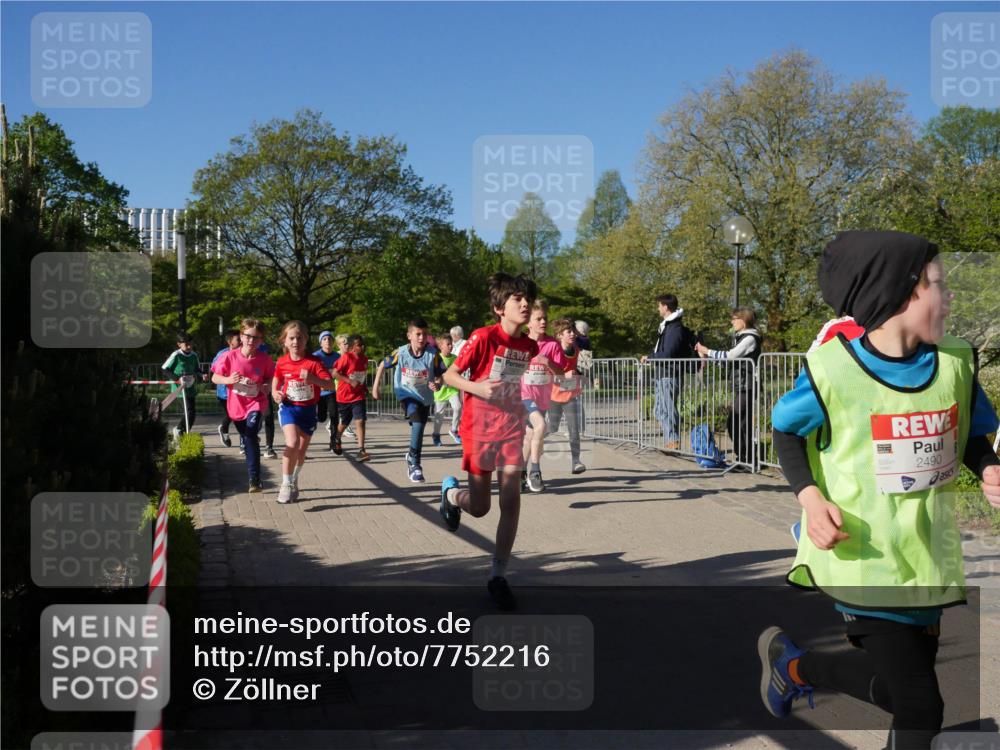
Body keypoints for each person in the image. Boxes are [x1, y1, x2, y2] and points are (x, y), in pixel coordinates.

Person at [761, 231, 1000, 750]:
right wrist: (808, 496)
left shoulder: (956, 361)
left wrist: (987, 466)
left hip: (927, 557)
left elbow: (970, 432)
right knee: (922, 705)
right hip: (862, 557)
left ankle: (795, 667)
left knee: (901, 695)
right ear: (895, 296)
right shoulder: (833, 371)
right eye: (937, 284)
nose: (950, 295)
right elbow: (785, 430)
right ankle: (797, 667)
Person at [439, 273, 542, 611]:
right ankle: (451, 495)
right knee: (481, 507)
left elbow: (519, 380)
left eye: (527, 298)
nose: (524, 303)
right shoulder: (483, 337)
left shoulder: (529, 346)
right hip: (479, 428)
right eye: (517, 299)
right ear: (500, 308)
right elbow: (449, 376)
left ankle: (498, 575)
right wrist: (479, 388)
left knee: (511, 499)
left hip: (511, 427)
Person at [372, 318, 447, 483]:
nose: (422, 338)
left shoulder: (433, 355)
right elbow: (382, 365)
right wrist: (375, 386)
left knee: (418, 427)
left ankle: (410, 455)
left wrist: (437, 384)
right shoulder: (401, 353)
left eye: (425, 334)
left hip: (425, 397)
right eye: (418, 334)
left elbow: (441, 375)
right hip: (405, 393)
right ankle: (415, 464)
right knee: (419, 424)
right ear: (409, 336)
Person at [211, 318, 276, 493]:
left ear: (261, 340)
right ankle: (254, 472)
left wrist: (267, 385)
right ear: (241, 336)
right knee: (249, 438)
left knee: (251, 431)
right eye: (248, 336)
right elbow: (215, 378)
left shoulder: (264, 359)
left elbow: (272, 376)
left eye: (256, 338)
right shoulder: (229, 356)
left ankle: (254, 479)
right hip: (236, 406)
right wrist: (228, 380)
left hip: (256, 402)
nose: (251, 341)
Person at [272, 321, 333, 504]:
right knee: (292, 442)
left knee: (301, 451)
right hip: (289, 407)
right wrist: (275, 393)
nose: (295, 342)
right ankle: (285, 484)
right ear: (284, 341)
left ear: (306, 340)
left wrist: (313, 378)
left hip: (308, 411)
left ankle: (293, 479)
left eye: (299, 338)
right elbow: (277, 378)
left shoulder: (314, 362)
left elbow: (330, 385)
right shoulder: (282, 362)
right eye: (291, 338)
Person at [695, 307, 762, 465]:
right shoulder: (742, 337)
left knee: (737, 422)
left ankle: (748, 459)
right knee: (738, 423)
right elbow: (729, 360)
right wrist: (707, 357)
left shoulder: (750, 338)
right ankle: (745, 458)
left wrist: (707, 351)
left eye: (734, 318)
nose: (732, 321)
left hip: (748, 385)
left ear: (743, 320)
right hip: (743, 385)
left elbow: (731, 355)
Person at [519, 300, 563, 493]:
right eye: (539, 318)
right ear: (529, 322)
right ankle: (535, 472)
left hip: (543, 397)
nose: (543, 321)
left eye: (545, 317)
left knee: (530, 436)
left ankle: (520, 471)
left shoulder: (552, 344)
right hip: (524, 395)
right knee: (541, 426)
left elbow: (560, 373)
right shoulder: (521, 343)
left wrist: (548, 362)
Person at [640, 294, 694, 450]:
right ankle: (670, 439)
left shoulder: (674, 328)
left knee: (668, 408)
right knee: (659, 409)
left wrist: (650, 357)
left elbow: (669, 353)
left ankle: (673, 440)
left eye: (659, 305)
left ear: (665, 307)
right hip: (662, 373)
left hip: (669, 374)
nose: (658, 308)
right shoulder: (667, 326)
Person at [547, 317, 586, 475]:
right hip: (554, 394)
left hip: (571, 393)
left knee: (574, 429)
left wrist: (578, 374)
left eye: (573, 331)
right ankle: (533, 439)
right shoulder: (554, 350)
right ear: (559, 335)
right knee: (552, 427)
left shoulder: (576, 348)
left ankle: (576, 461)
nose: (572, 334)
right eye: (568, 332)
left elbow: (585, 340)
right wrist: (563, 376)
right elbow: (548, 375)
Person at [331, 334, 371, 461]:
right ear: (353, 347)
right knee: (345, 422)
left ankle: (361, 450)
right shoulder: (347, 358)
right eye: (359, 344)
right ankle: (336, 438)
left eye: (363, 344)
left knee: (360, 420)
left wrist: (365, 388)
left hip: (358, 395)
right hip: (344, 395)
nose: (362, 346)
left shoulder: (365, 359)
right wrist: (349, 381)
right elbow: (335, 373)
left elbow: (360, 377)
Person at [162, 332, 202, 436]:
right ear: (179, 344)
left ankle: (181, 431)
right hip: (179, 390)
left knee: (192, 414)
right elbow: (164, 369)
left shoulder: (194, 355)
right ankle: (179, 430)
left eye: (190, 344)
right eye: (186, 344)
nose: (189, 346)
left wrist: (202, 374)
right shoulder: (176, 355)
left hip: (191, 388)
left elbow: (197, 369)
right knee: (189, 412)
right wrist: (177, 378)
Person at [431, 333, 463, 447]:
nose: (451, 346)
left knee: (458, 407)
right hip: (441, 391)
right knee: (439, 417)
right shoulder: (436, 358)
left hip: (452, 389)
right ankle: (436, 435)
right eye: (448, 344)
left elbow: (458, 371)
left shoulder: (455, 358)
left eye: (451, 344)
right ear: (441, 346)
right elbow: (433, 374)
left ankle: (454, 430)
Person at [211, 330, 241, 448]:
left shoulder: (244, 353)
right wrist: (227, 377)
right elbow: (214, 371)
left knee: (241, 415)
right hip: (225, 392)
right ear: (230, 342)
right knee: (232, 415)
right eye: (238, 340)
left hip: (240, 391)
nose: (241, 342)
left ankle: (247, 436)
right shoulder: (222, 354)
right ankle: (224, 430)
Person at [312, 330, 340, 452]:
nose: (327, 341)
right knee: (321, 418)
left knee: (334, 415)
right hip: (319, 392)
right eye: (324, 339)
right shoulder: (316, 356)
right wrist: (319, 383)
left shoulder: (338, 357)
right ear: (320, 343)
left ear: (333, 342)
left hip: (332, 392)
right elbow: (311, 373)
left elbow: (341, 373)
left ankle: (333, 442)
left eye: (329, 339)